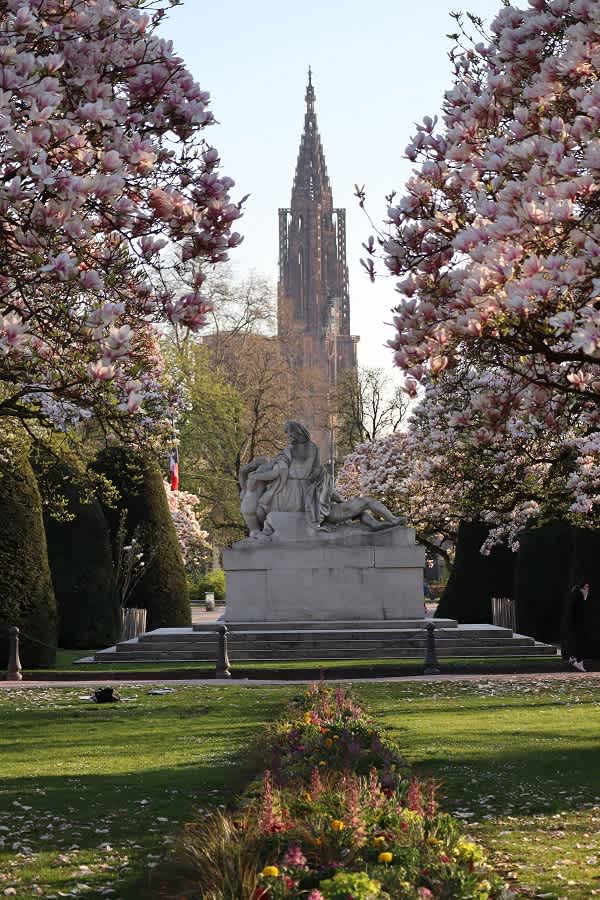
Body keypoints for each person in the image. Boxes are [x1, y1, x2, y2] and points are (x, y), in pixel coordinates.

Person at [561, 579, 590, 672]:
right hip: (576, 624)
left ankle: (575, 659)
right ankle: (578, 661)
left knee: (577, 642)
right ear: (582, 587)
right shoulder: (578, 596)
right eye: (586, 586)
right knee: (579, 642)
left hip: (576, 624)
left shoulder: (579, 595)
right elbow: (574, 611)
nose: (588, 588)